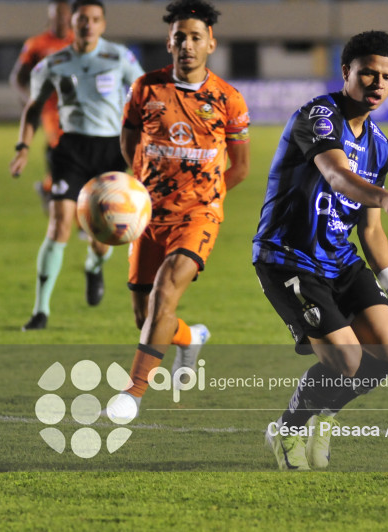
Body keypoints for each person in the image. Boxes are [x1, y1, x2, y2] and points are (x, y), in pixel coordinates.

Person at [252, 30, 388, 470]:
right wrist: (381, 195)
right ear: (346, 72)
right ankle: (286, 431)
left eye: (387, 77)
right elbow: (339, 177)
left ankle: (323, 416)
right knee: (347, 358)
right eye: (367, 73)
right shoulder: (319, 116)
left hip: (339, 259)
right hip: (289, 257)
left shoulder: (379, 143)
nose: (377, 83)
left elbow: (371, 229)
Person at [105, 0, 250, 421]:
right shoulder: (145, 89)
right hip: (146, 216)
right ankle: (190, 337)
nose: (187, 44)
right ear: (169, 41)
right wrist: (137, 190)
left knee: (165, 292)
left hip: (198, 216)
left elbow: (239, 168)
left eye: (196, 37)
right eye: (180, 37)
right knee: (146, 316)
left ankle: (131, 395)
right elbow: (129, 139)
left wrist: (204, 196)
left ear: (211, 43)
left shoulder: (228, 99)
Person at [9, 0, 144, 331]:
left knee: (102, 237)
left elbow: (145, 94)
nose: (88, 25)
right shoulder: (53, 63)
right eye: (82, 19)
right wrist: (23, 147)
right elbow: (32, 106)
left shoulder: (119, 57)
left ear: (103, 24)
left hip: (110, 153)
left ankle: (94, 265)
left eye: (95, 19)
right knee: (59, 225)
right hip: (70, 150)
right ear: (73, 22)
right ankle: (41, 310)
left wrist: (146, 139)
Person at [9, 0, 74, 211]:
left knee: (76, 149)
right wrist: (30, 99)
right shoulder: (37, 44)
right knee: (61, 145)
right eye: (57, 16)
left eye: (64, 15)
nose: (61, 20)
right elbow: (17, 78)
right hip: (50, 107)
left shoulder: (79, 42)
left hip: (77, 107)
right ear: (50, 16)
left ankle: (49, 187)